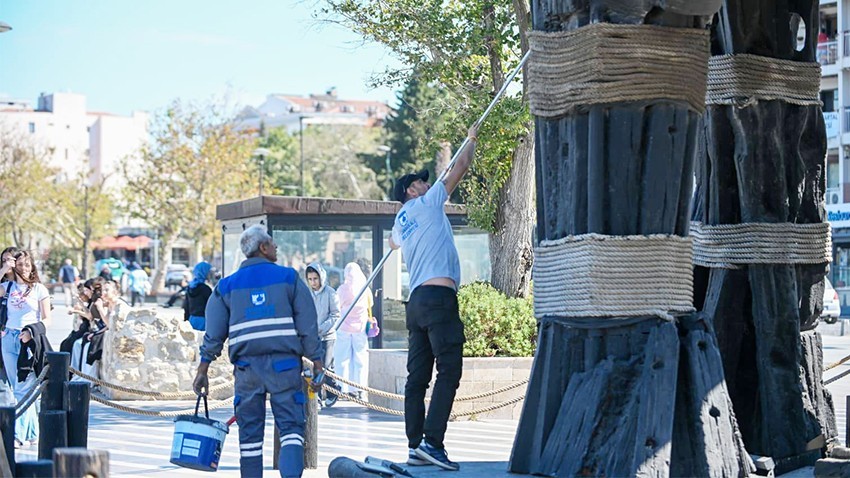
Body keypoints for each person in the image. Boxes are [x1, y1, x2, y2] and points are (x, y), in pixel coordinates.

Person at [193, 225, 323, 478]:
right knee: (291, 429)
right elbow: (308, 326)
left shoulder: (226, 286)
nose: (276, 247)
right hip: (284, 367)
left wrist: (202, 369)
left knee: (250, 435)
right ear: (262, 248)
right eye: (272, 243)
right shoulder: (289, 278)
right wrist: (317, 362)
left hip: (247, 370)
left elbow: (214, 334)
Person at [388, 124, 478, 471]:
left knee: (418, 377)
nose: (428, 183)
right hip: (439, 299)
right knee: (449, 370)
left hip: (417, 303)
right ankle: (432, 443)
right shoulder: (427, 203)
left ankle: (415, 445)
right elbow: (459, 169)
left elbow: (396, 243)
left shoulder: (401, 220)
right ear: (413, 189)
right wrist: (470, 141)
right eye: (421, 181)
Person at [0, 250, 51, 447]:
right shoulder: (8, 286)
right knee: (18, 387)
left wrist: (31, 332)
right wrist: (5, 267)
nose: (24, 268)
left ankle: (18, 435)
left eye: (27, 265)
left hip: (28, 339)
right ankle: (32, 432)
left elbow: (48, 318)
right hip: (9, 337)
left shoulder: (39, 289)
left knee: (24, 386)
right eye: (20, 265)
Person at [305, 262, 340, 407]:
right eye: (310, 279)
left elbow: (335, 315)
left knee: (325, 366)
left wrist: (321, 328)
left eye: (315, 279)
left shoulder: (330, 293)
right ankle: (316, 398)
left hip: (327, 336)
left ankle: (333, 391)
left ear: (321, 277)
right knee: (314, 366)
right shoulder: (307, 294)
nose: (313, 282)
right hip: (312, 337)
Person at [334, 262, 371, 400]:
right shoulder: (365, 289)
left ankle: (342, 388)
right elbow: (370, 305)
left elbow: (338, 306)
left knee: (342, 359)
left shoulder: (343, 289)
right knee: (360, 360)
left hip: (343, 328)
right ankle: (360, 389)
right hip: (360, 329)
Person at [184, 261, 213, 331]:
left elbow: (186, 307)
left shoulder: (190, 287)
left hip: (191, 319)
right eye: (209, 272)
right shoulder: (206, 289)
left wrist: (186, 322)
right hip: (204, 320)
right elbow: (211, 307)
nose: (210, 274)